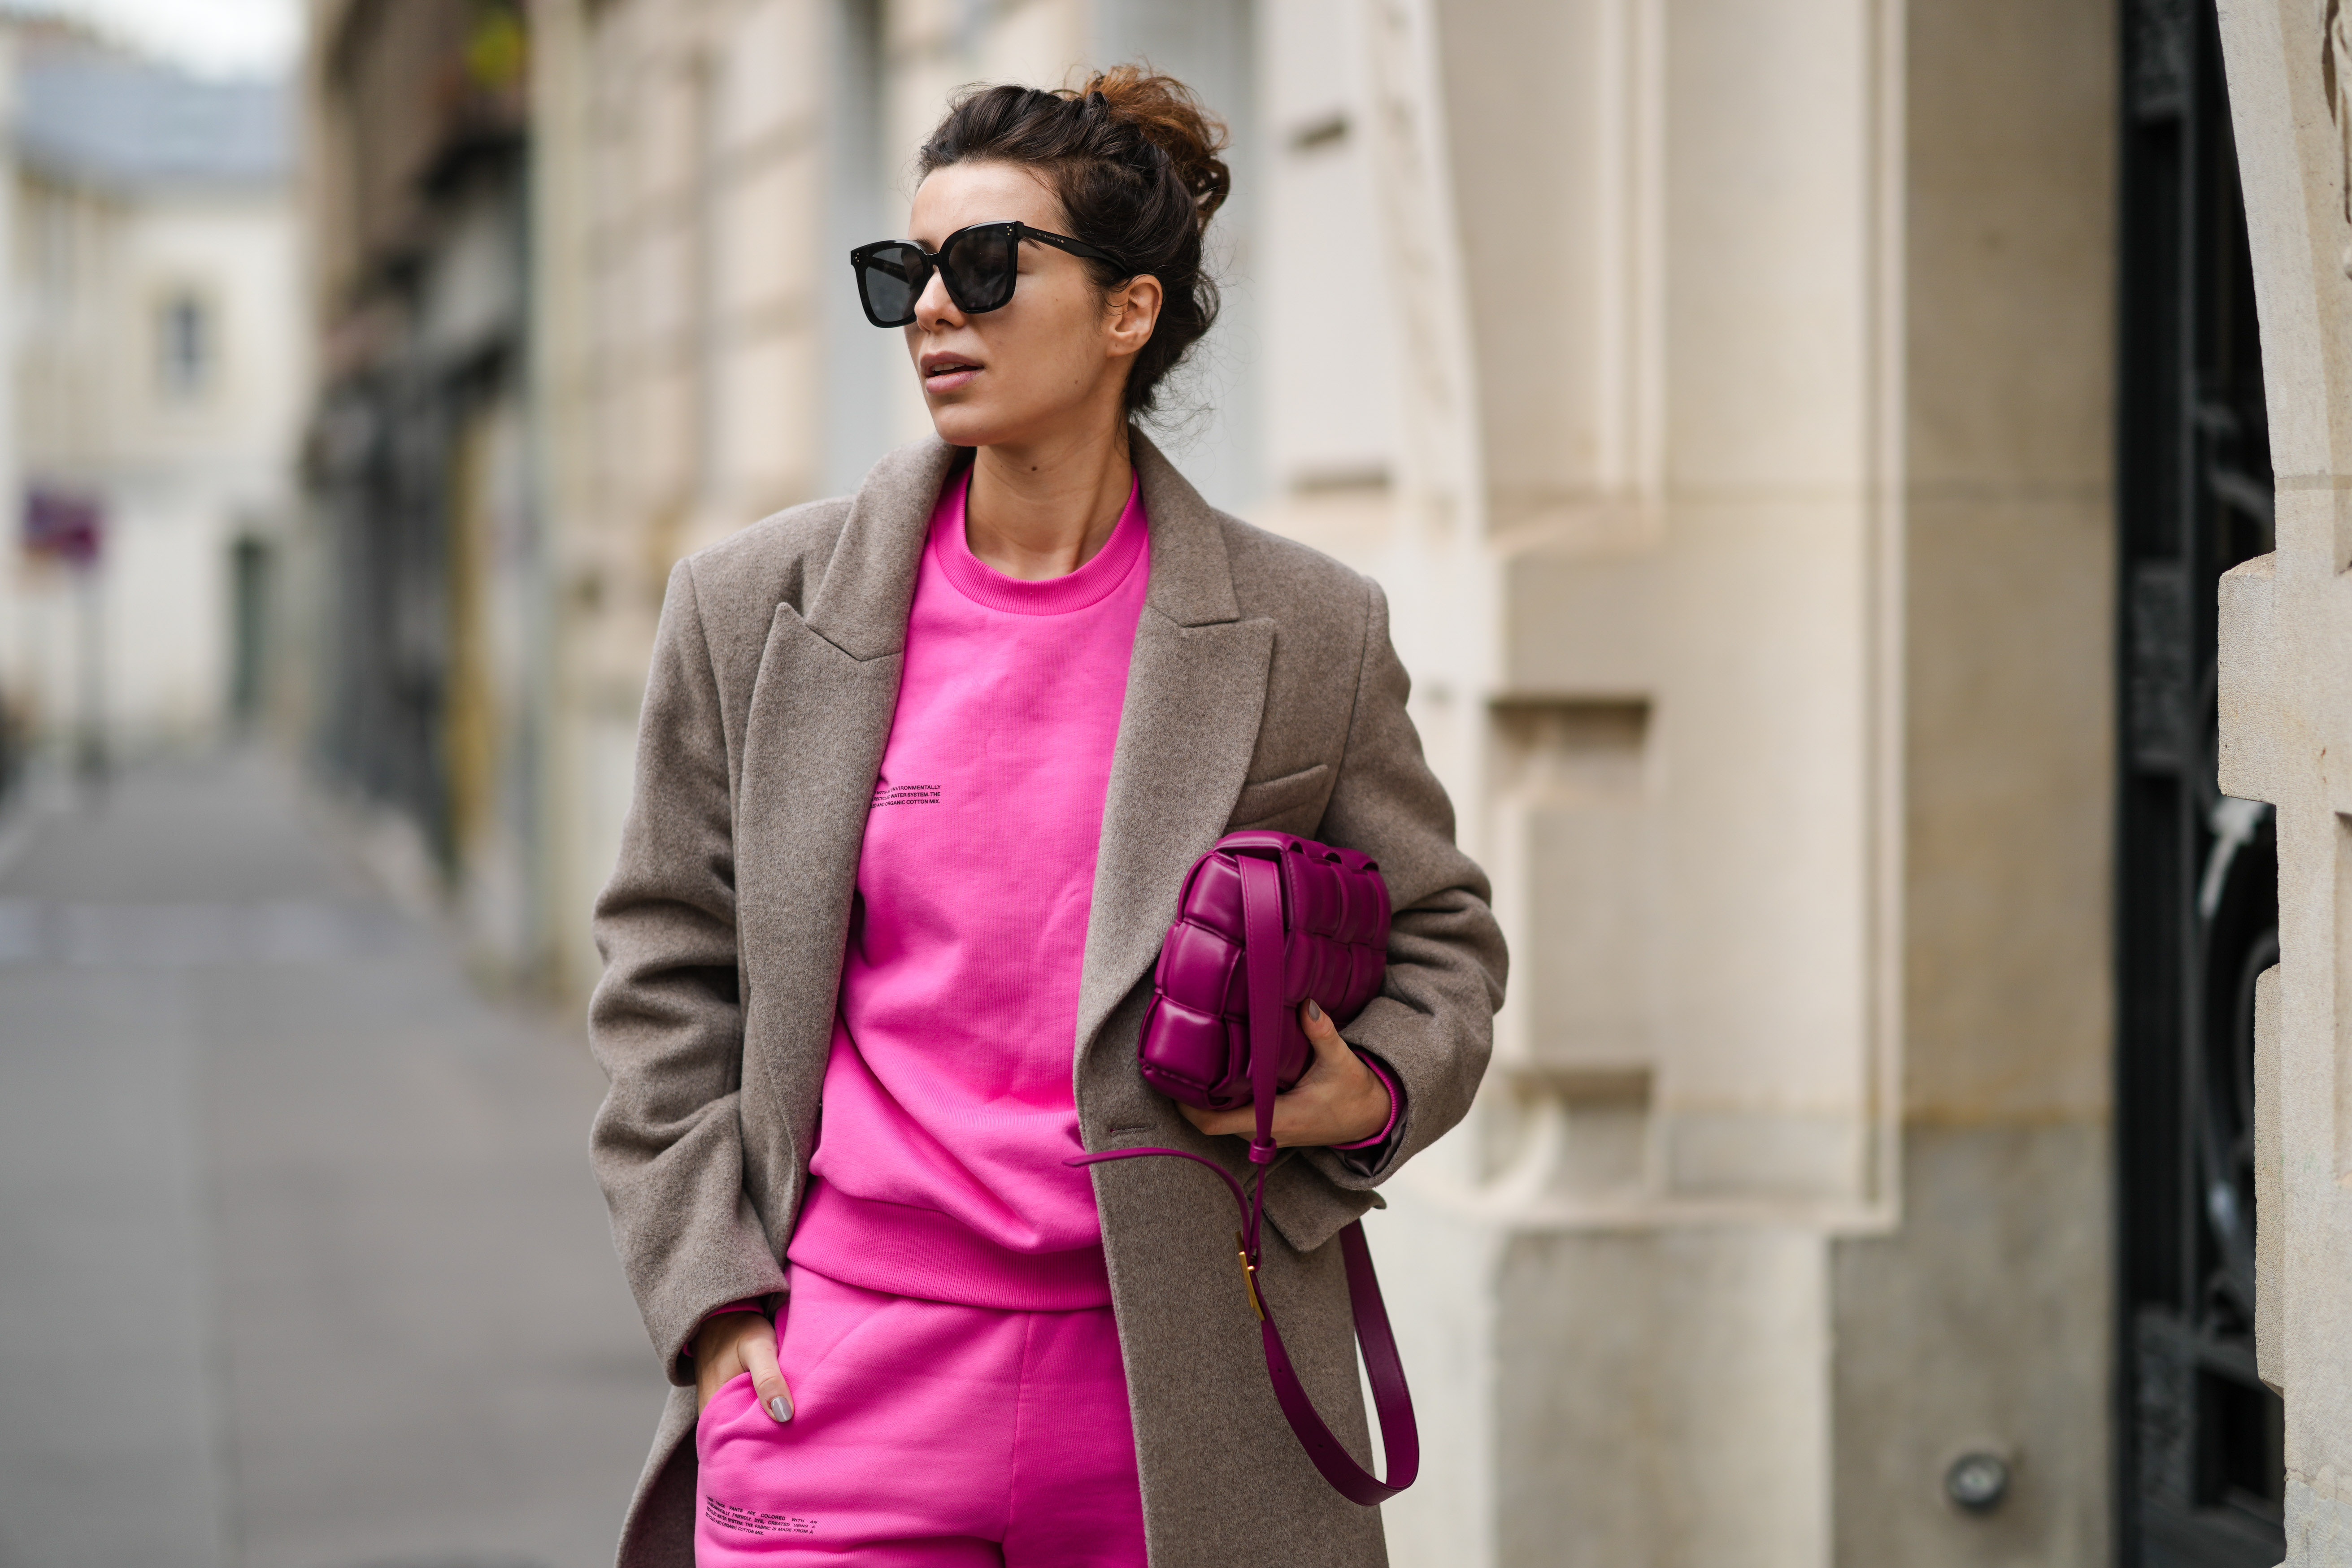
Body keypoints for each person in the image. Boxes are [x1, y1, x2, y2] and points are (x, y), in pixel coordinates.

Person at [588, 65, 1505, 1568]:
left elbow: (1446, 940)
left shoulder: (1308, 627)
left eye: (988, 267)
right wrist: (712, 1297)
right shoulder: (754, 611)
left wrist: (1374, 1090)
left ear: (1130, 312)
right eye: (907, 273)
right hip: (843, 1375)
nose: (935, 310)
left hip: (1184, 1386)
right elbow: (665, 968)